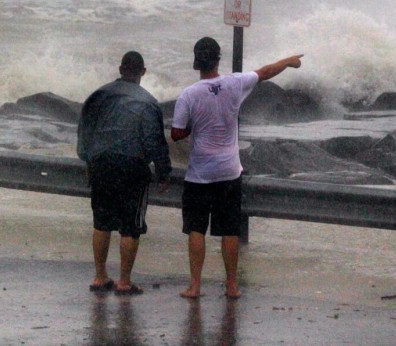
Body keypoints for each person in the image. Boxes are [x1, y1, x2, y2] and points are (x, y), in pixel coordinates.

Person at [170, 36, 303, 299]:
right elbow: (265, 72)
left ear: (196, 62)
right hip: (229, 172)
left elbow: (176, 133)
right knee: (230, 230)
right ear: (218, 59)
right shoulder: (235, 83)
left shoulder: (189, 95)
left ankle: (195, 286)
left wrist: (193, 128)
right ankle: (232, 286)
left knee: (196, 229)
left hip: (199, 174)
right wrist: (287, 62)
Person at [77, 51, 172, 296]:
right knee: (130, 226)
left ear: (120, 69)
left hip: (101, 163)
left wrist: (87, 158)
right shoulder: (148, 102)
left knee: (101, 222)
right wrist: (163, 172)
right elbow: (154, 140)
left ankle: (100, 276)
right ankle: (124, 282)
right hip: (132, 167)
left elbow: (84, 130)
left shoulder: (98, 95)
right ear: (143, 72)